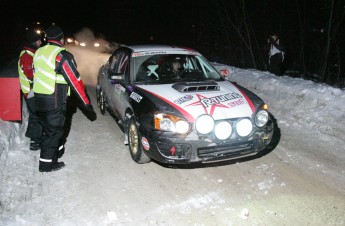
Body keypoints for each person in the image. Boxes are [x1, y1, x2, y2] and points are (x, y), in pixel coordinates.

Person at [33, 24, 97, 172]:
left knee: (48, 129)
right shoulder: (61, 54)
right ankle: (46, 164)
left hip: (39, 97)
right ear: (61, 38)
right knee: (54, 131)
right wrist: (86, 104)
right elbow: (75, 81)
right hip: (54, 99)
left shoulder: (39, 52)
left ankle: (56, 152)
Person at [18, 29, 43, 150]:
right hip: (31, 90)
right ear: (35, 41)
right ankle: (35, 142)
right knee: (36, 116)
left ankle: (30, 133)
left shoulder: (31, 52)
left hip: (30, 90)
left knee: (34, 114)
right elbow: (31, 74)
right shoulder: (27, 55)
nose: (40, 42)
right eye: (39, 40)